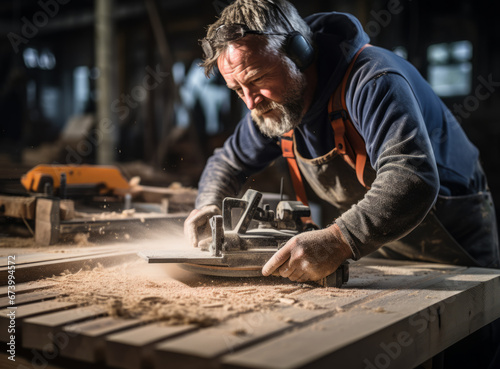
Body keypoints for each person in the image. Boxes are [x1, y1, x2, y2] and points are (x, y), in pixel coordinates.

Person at [183, 1, 500, 367]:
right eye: (237, 89)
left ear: (299, 52)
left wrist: (338, 239)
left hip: (452, 240)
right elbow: (227, 161)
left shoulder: (372, 79)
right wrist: (209, 204)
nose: (250, 102)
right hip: (379, 243)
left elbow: (411, 176)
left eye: (256, 81)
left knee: (465, 348)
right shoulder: (272, 105)